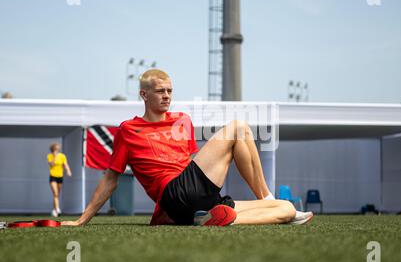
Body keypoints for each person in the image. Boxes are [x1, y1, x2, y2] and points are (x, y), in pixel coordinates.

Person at [62, 69, 313, 226]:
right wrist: (81, 221)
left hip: (195, 203)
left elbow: (190, 161)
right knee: (239, 127)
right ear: (144, 95)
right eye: (160, 91)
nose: (167, 96)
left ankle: (217, 219)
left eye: (170, 91)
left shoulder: (182, 120)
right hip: (173, 195)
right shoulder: (128, 130)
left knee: (286, 210)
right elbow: (110, 180)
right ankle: (265, 198)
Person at [47, 143, 72, 217]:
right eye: (55, 149)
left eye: (57, 149)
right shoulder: (49, 156)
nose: (56, 150)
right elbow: (51, 164)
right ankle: (57, 208)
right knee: (55, 193)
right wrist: (54, 156)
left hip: (60, 177)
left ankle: (54, 210)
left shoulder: (62, 156)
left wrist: (68, 171)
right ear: (53, 149)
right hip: (53, 176)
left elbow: (65, 164)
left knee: (57, 194)